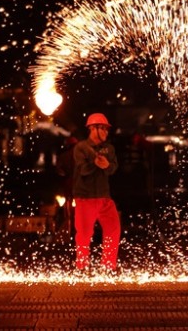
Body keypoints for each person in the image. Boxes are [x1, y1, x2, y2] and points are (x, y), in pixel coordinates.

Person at [73, 113, 120, 271]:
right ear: (93, 129)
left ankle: (108, 266)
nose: (106, 132)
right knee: (84, 234)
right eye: (104, 129)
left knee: (113, 229)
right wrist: (95, 163)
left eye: (106, 129)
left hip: (104, 197)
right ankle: (81, 267)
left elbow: (113, 168)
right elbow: (83, 170)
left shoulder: (109, 149)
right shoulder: (81, 148)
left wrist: (106, 165)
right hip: (85, 197)